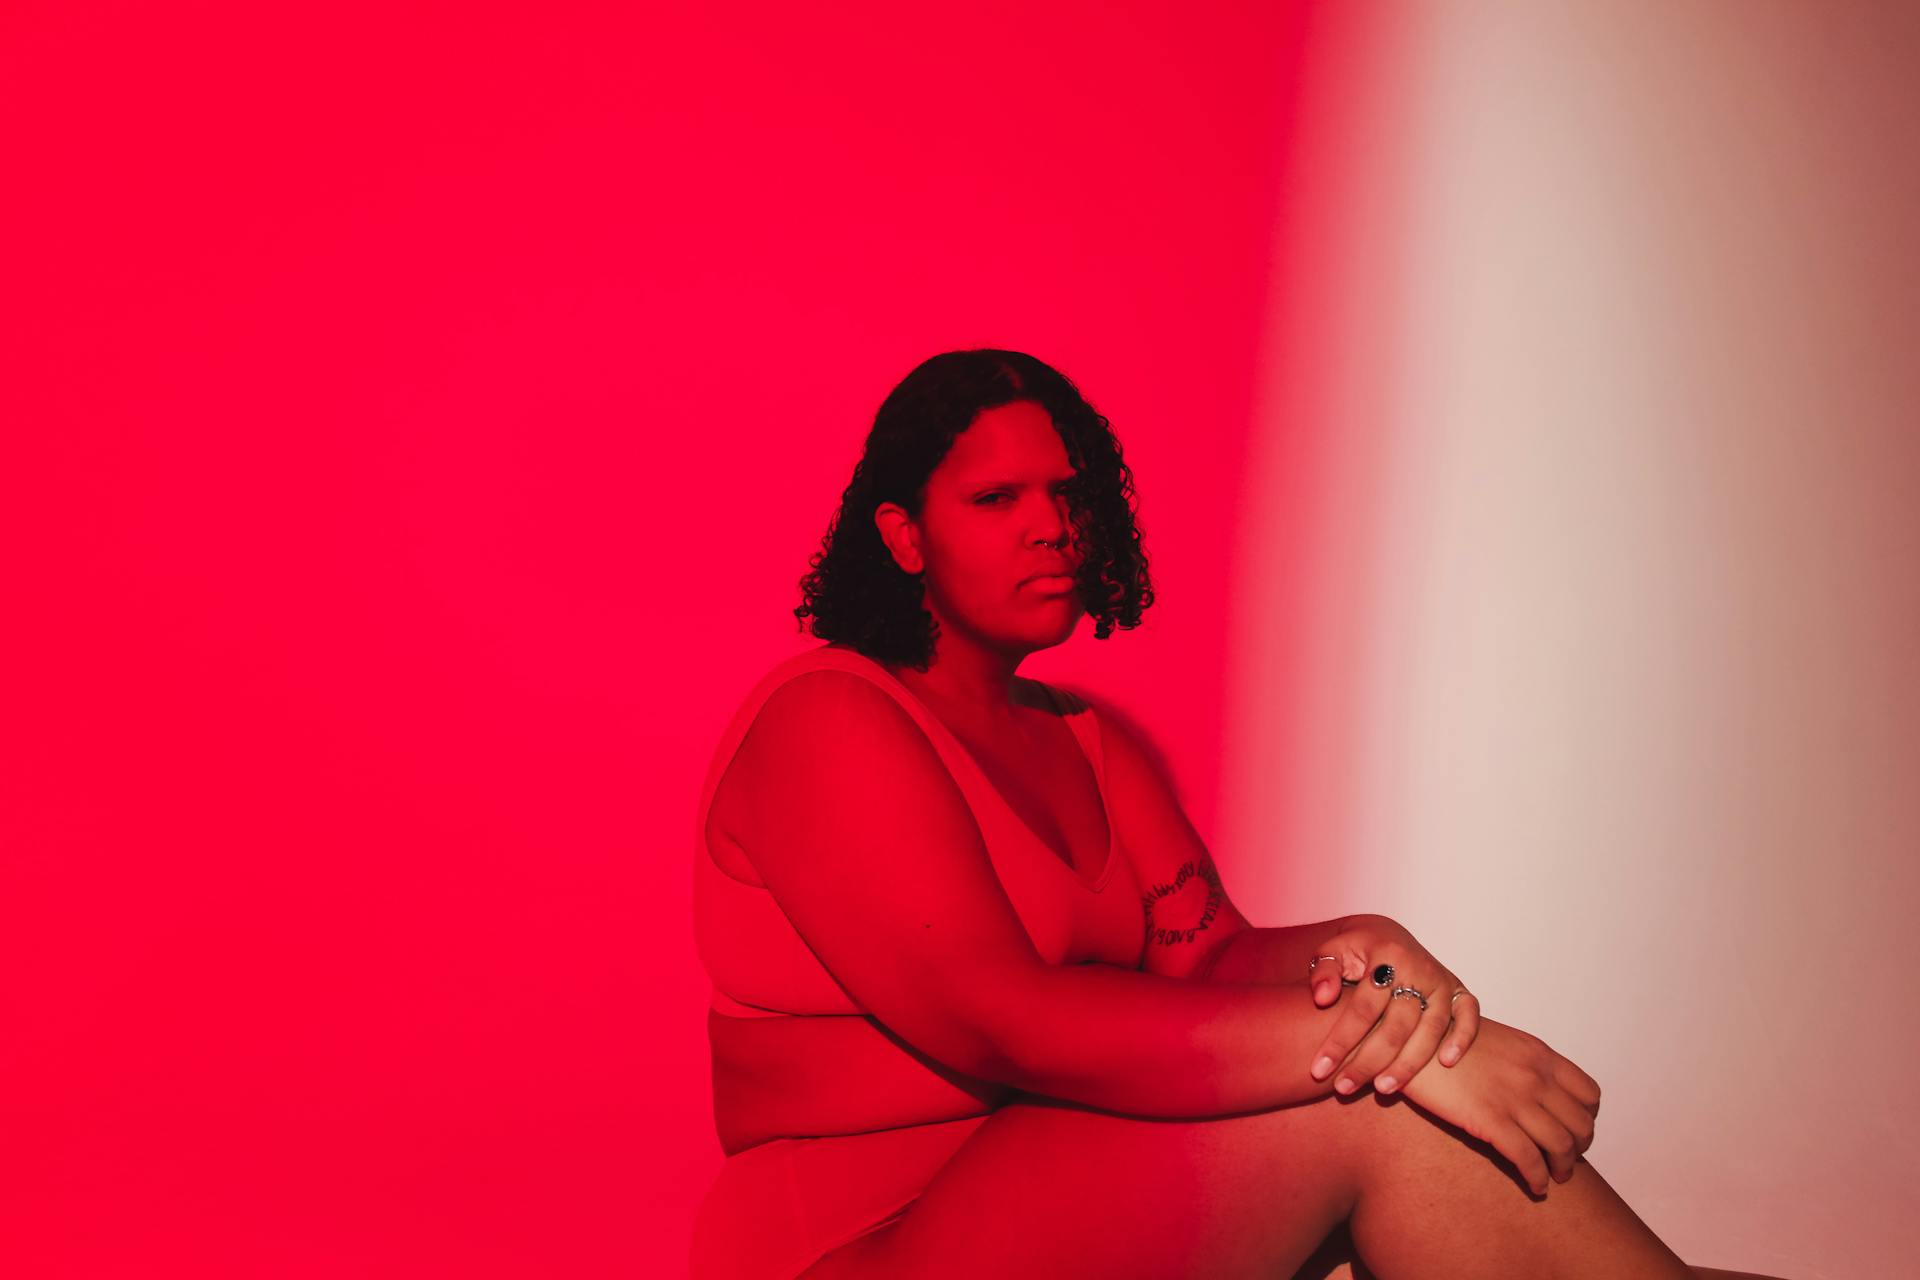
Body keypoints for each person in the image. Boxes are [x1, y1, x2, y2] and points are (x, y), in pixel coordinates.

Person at [690, 350, 1778, 1279]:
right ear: (903, 533)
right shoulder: (827, 719)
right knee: (1375, 1101)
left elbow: (1207, 958)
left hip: (1082, 1193)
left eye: (1068, 496)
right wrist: (1407, 1050)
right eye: (997, 500)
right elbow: (1004, 1019)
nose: (1053, 529)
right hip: (866, 1241)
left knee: (1440, 1220)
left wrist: (1368, 953)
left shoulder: (1085, 737)